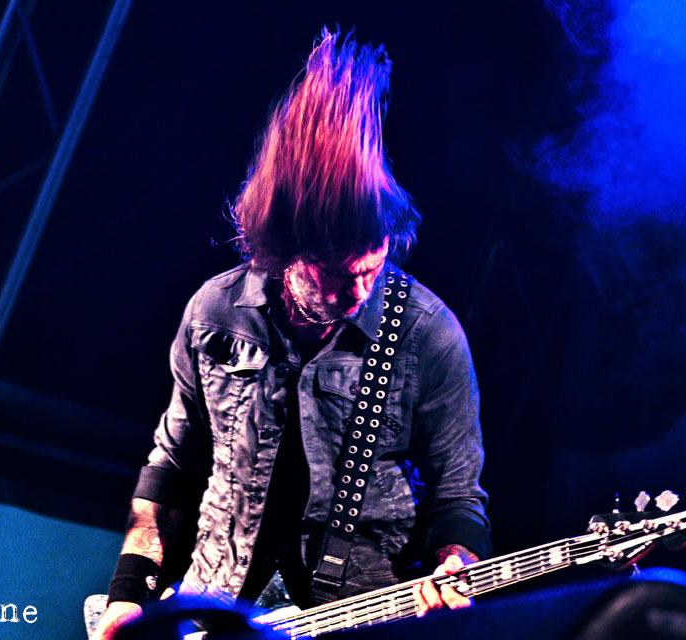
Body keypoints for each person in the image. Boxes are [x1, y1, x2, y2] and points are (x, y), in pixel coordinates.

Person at [93, 28, 490, 639]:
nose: (358, 293)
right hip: (212, 610)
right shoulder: (215, 312)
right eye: (337, 277)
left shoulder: (427, 333)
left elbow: (458, 495)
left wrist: (455, 568)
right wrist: (127, 593)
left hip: (355, 619)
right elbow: (170, 468)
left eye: (371, 270)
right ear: (284, 253)